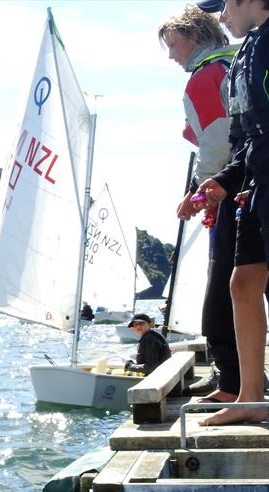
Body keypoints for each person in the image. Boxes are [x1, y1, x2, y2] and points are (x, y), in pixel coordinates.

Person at [159, 4, 240, 401]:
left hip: (233, 189)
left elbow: (217, 141)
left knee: (222, 287)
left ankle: (230, 380)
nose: (172, 54)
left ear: (194, 38)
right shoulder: (237, 62)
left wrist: (198, 193)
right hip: (254, 181)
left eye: (173, 44)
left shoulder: (204, 76)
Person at [193, 0, 269, 425]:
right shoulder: (243, 54)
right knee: (242, 283)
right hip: (256, 184)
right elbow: (244, 140)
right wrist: (223, 181)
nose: (220, 16)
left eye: (225, 5)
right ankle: (251, 397)